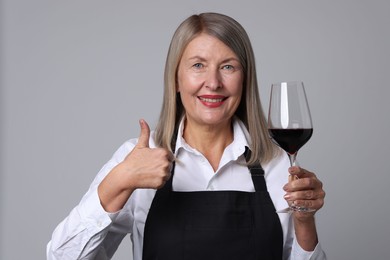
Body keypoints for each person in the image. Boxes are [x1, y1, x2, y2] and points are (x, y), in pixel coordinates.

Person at [47, 12, 326, 260]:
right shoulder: (137, 159)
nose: (213, 83)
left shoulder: (276, 164)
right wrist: (119, 180)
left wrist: (304, 221)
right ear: (176, 79)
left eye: (228, 66)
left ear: (245, 79)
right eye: (198, 65)